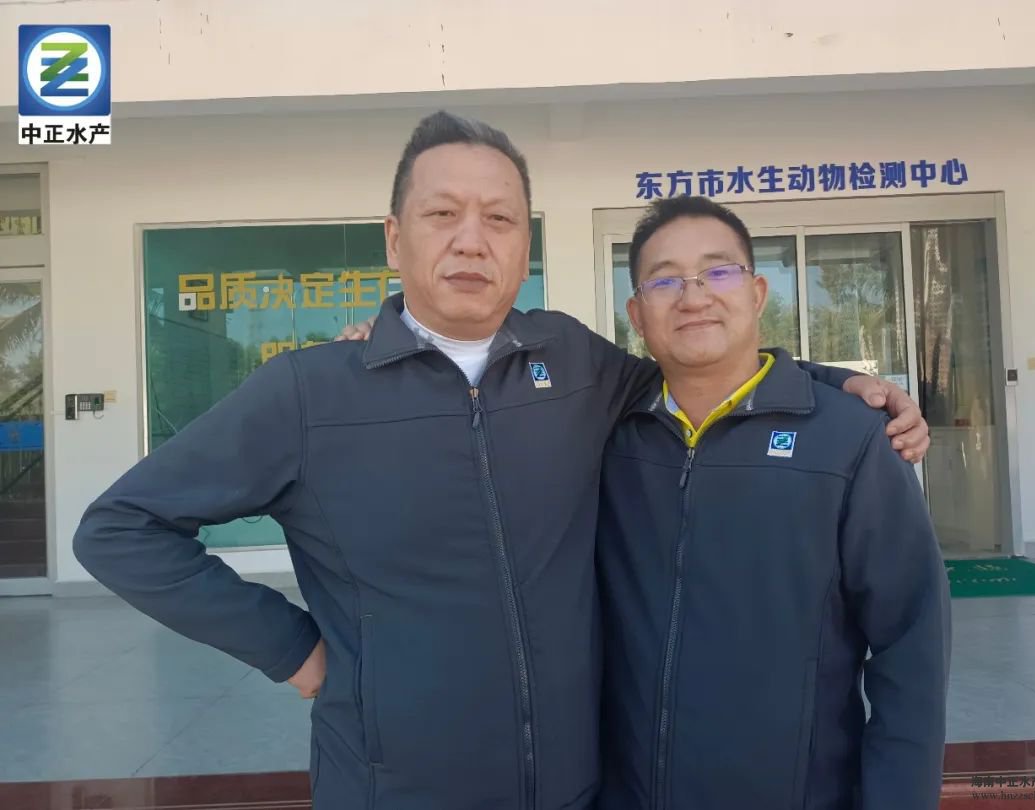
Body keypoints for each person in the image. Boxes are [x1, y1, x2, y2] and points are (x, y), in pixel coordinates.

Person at [73, 112, 929, 810]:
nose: (471, 241)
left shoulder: (575, 363)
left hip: (575, 789)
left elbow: (702, 366)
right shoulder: (310, 392)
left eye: (500, 219)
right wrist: (294, 649)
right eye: (441, 215)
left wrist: (835, 389)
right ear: (394, 239)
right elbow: (119, 528)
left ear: (525, 247)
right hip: (393, 791)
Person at [596, 196, 950, 810]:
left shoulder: (850, 440)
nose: (694, 297)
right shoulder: (605, 432)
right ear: (636, 313)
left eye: (718, 271)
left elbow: (911, 647)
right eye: (665, 280)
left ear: (757, 293)